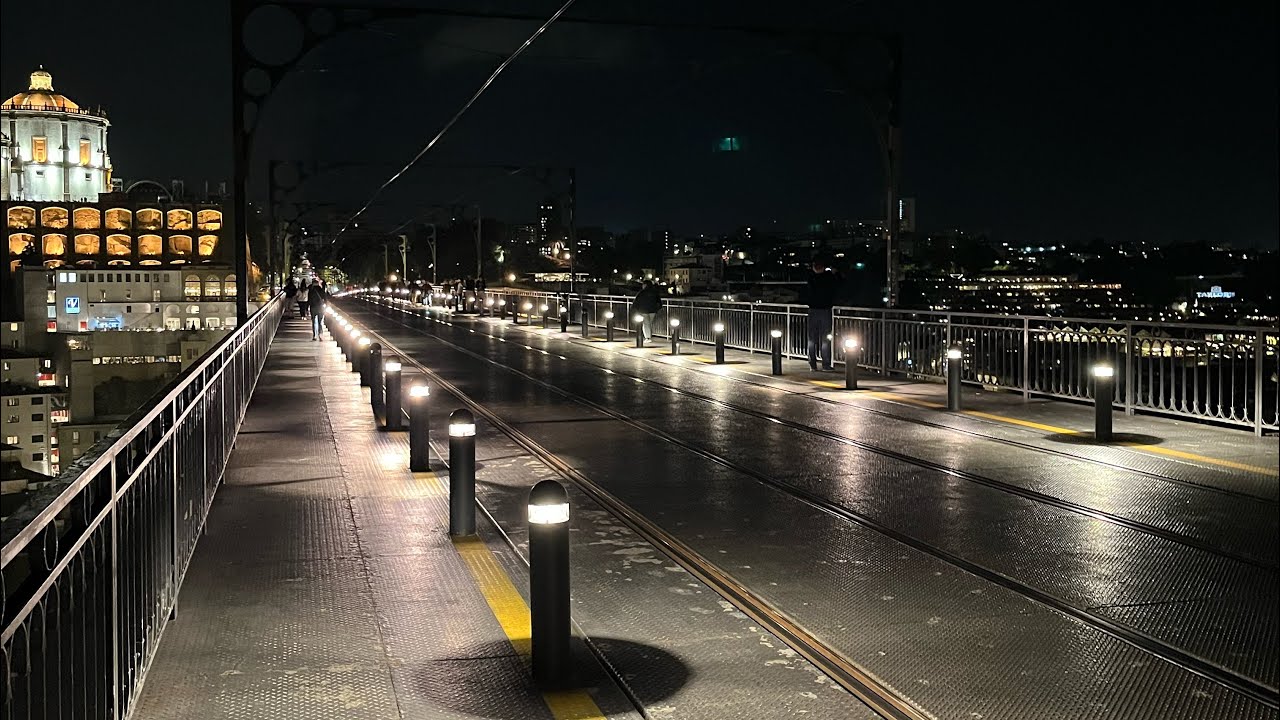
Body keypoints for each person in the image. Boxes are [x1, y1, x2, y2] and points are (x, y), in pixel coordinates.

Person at [804, 259, 842, 371]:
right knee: (825, 338)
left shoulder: (811, 278)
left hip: (813, 309)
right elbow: (838, 284)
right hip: (825, 309)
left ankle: (812, 364)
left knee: (811, 338)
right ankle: (825, 364)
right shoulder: (829, 277)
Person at [631, 280, 662, 345]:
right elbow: (659, 301)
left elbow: (636, 301)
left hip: (644, 310)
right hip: (653, 310)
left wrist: (634, 308)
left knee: (646, 324)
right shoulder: (654, 292)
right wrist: (658, 308)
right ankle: (648, 336)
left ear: (645, 285)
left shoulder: (642, 292)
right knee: (649, 323)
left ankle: (648, 338)